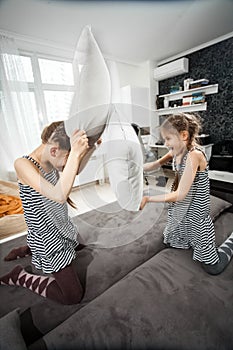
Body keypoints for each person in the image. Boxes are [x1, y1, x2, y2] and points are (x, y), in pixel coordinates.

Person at [0, 121, 89, 304]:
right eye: (66, 157)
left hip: (60, 225)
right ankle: (20, 276)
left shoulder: (51, 158)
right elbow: (58, 195)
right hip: (47, 235)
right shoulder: (23, 164)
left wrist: (89, 150)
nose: (66, 162)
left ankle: (27, 249)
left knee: (79, 246)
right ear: (55, 150)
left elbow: (75, 168)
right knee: (72, 296)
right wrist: (76, 153)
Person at [141, 113, 233, 275]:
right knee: (171, 242)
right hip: (181, 211)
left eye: (168, 139)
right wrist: (137, 168)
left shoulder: (194, 156)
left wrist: (149, 198)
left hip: (196, 215)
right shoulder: (177, 151)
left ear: (184, 135)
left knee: (213, 267)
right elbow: (154, 164)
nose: (165, 143)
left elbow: (181, 194)